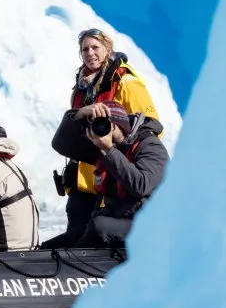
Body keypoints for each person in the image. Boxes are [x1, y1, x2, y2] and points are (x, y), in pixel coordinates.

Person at [46, 28, 162, 247]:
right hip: (87, 178)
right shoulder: (80, 89)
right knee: (77, 237)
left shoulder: (126, 83)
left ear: (108, 49)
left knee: (99, 237)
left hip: (116, 176)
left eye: (95, 47)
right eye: (85, 49)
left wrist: (117, 148)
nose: (90, 53)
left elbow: (149, 126)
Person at [71, 102, 168, 249]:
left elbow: (140, 185)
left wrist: (109, 150)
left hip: (150, 226)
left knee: (99, 226)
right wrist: (78, 114)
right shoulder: (103, 146)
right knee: (63, 239)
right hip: (119, 219)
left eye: (103, 124)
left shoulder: (151, 146)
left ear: (116, 125)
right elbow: (60, 144)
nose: (99, 129)